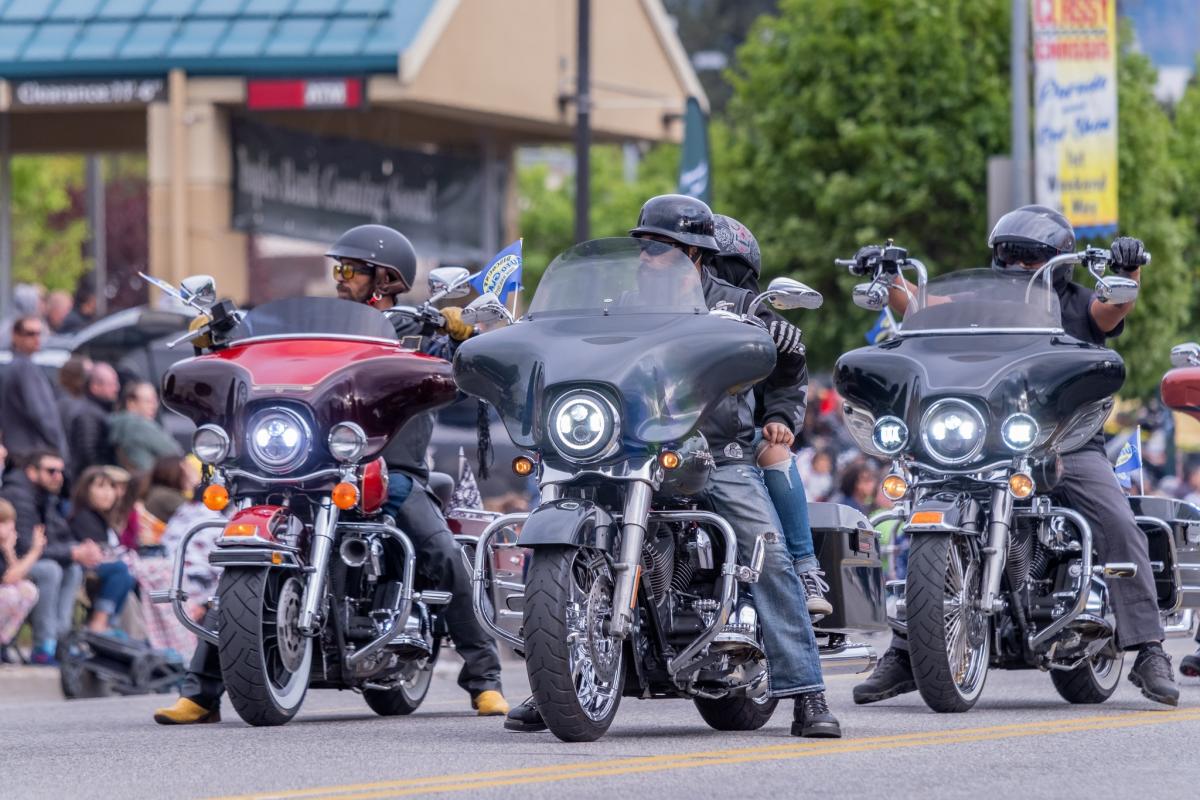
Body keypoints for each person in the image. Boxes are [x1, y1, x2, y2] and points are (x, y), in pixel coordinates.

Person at [507, 195, 840, 739]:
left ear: (695, 254)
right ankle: (555, 680)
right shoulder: (612, 303)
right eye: (642, 245)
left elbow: (790, 362)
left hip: (715, 452)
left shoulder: (737, 304)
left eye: (659, 248)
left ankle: (807, 692)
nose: (646, 256)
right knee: (558, 533)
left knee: (767, 552)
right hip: (627, 445)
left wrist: (780, 405)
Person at [154, 224, 509, 724]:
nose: (339, 279)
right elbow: (269, 367)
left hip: (390, 468)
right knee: (246, 557)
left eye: (350, 270)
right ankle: (202, 692)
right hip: (305, 465)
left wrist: (459, 338)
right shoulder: (321, 333)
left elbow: (461, 376)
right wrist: (218, 345)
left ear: (385, 278)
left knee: (441, 552)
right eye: (338, 270)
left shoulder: (419, 333)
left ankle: (484, 679)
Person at [851, 204, 1178, 706]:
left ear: (1058, 261)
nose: (1018, 267)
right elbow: (917, 302)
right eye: (1008, 256)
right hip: (978, 441)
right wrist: (888, 271)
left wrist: (1127, 268)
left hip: (1061, 442)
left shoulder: (1077, 303)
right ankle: (907, 649)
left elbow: (1113, 311)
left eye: (1029, 258)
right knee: (922, 507)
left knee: (1116, 520)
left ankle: (1149, 647)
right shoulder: (971, 303)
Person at [709, 213, 830, 617]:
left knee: (774, 451)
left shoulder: (754, 312)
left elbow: (788, 378)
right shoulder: (659, 310)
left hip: (740, 437)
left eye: (714, 266)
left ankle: (805, 567)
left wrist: (778, 417)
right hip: (666, 432)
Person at [0, 450, 93, 665]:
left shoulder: (47, 497)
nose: (58, 476)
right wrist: (70, 552)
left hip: (23, 559)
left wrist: (78, 549)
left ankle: (60, 640)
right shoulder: (18, 496)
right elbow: (24, 547)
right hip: (18, 561)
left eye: (61, 471)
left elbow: (58, 536)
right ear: (32, 472)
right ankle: (43, 646)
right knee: (50, 570)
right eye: (51, 471)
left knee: (73, 569)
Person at [67, 467, 136, 633]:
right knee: (120, 570)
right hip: (82, 565)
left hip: (104, 565)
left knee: (128, 575)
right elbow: (98, 552)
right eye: (100, 487)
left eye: (111, 487)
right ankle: (99, 622)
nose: (108, 493)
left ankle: (111, 623)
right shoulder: (82, 516)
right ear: (86, 490)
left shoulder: (104, 518)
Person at [1, 317, 69, 461]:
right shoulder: (24, 368)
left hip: (24, 451)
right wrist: (59, 446)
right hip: (32, 453)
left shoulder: (19, 366)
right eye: (30, 334)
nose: (37, 339)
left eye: (39, 334)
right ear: (15, 335)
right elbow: (41, 414)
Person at [0, 498, 43, 663]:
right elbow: (9, 578)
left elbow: (18, 577)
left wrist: (9, 550)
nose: (11, 527)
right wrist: (35, 552)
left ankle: (4, 642)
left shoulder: (4, 546)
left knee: (27, 590)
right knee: (10, 594)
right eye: (4, 522)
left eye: (11, 522)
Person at [108, 380, 183, 473]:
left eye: (155, 400)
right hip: (149, 481)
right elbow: (175, 453)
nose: (154, 406)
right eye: (148, 401)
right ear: (131, 404)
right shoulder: (139, 425)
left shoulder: (116, 423)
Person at [67, 362, 120, 479]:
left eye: (116, 383)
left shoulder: (98, 410)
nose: (117, 388)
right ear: (95, 387)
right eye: (111, 384)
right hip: (91, 481)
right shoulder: (88, 414)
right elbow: (88, 453)